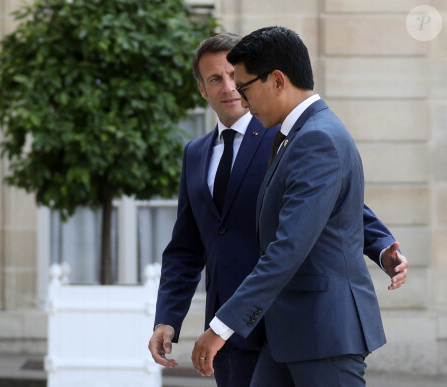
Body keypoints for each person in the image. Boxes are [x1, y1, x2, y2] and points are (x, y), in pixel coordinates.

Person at [149, 32, 409, 387]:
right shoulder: (200, 152)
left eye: (241, 83)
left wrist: (380, 246)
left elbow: (318, 220)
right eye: (217, 79)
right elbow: (186, 246)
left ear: (276, 80)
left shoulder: (292, 135)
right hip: (253, 325)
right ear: (202, 88)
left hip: (300, 322)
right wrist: (170, 317)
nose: (234, 91)